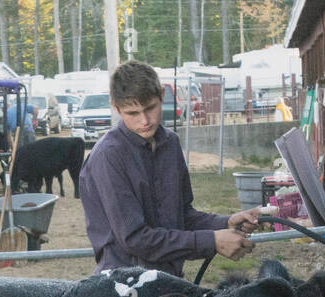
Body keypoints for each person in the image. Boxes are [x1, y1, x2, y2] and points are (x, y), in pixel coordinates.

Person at [78, 60, 260, 278]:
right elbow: (135, 239)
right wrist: (212, 240)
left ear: (162, 95)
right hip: (123, 286)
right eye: (132, 113)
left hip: (169, 279)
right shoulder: (108, 156)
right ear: (115, 108)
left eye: (150, 108)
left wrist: (225, 222)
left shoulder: (170, 143)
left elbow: (182, 216)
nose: (144, 121)